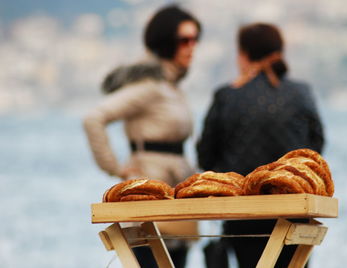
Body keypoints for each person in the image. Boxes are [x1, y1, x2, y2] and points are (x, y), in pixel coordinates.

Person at [197, 23, 325, 268]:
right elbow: (315, 149)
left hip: (243, 214)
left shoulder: (227, 96)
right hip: (294, 211)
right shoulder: (300, 93)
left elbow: (205, 156)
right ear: (280, 52)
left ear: (243, 55)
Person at [83, 5, 201, 268]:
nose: (192, 46)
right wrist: (116, 168)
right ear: (167, 42)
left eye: (195, 39)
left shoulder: (170, 86)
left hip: (175, 194)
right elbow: (94, 118)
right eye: (185, 40)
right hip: (150, 196)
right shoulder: (148, 86)